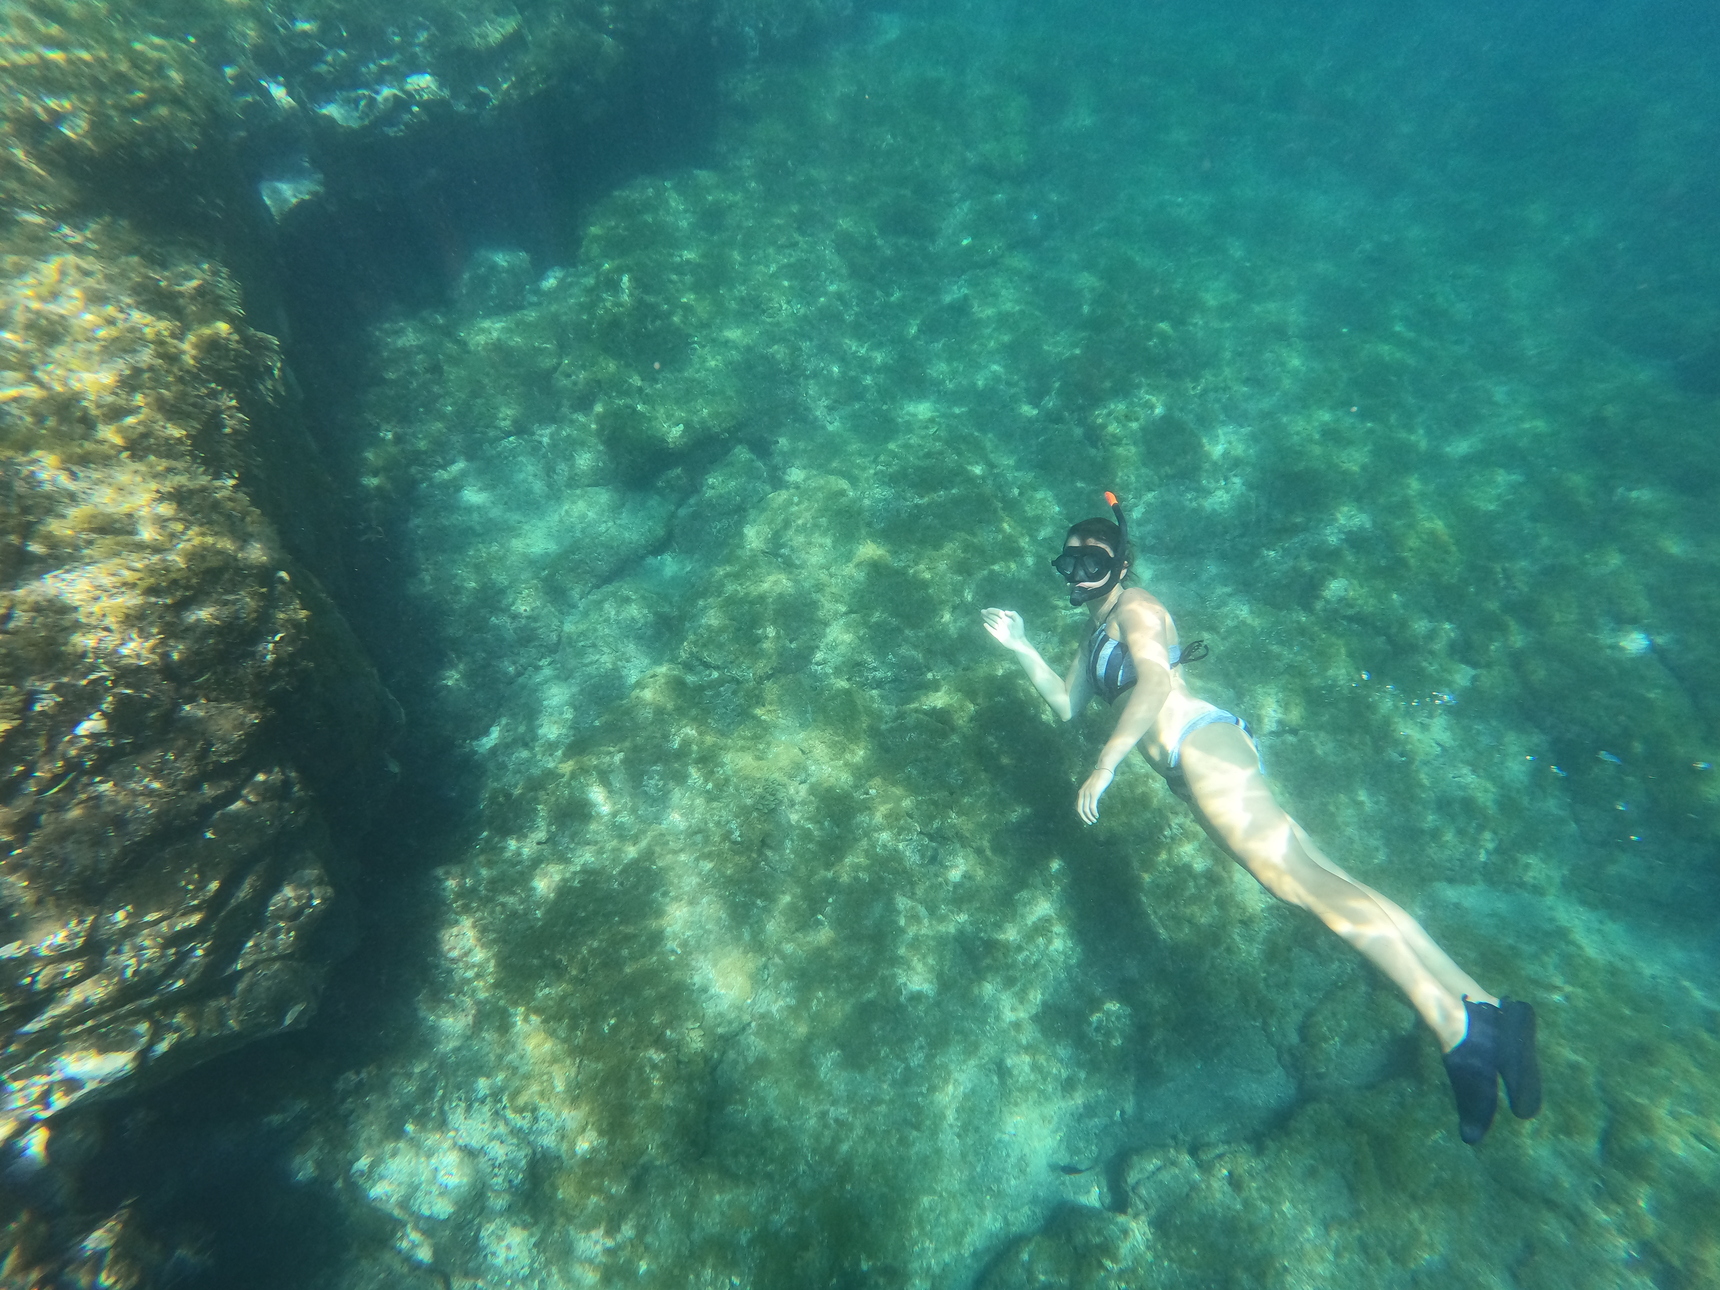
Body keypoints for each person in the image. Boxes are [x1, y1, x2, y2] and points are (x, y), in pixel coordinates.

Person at [981, 491, 1541, 1144]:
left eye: (1094, 563)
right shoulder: (1094, 630)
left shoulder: (1138, 609)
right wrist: (1020, 646)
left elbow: (1155, 683)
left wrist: (1106, 763)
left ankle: (1456, 1027)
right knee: (1325, 879)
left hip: (1200, 745)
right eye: (1070, 563)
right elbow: (1066, 704)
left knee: (1300, 884)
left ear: (1122, 566)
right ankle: (1488, 1010)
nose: (1080, 575)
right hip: (1195, 762)